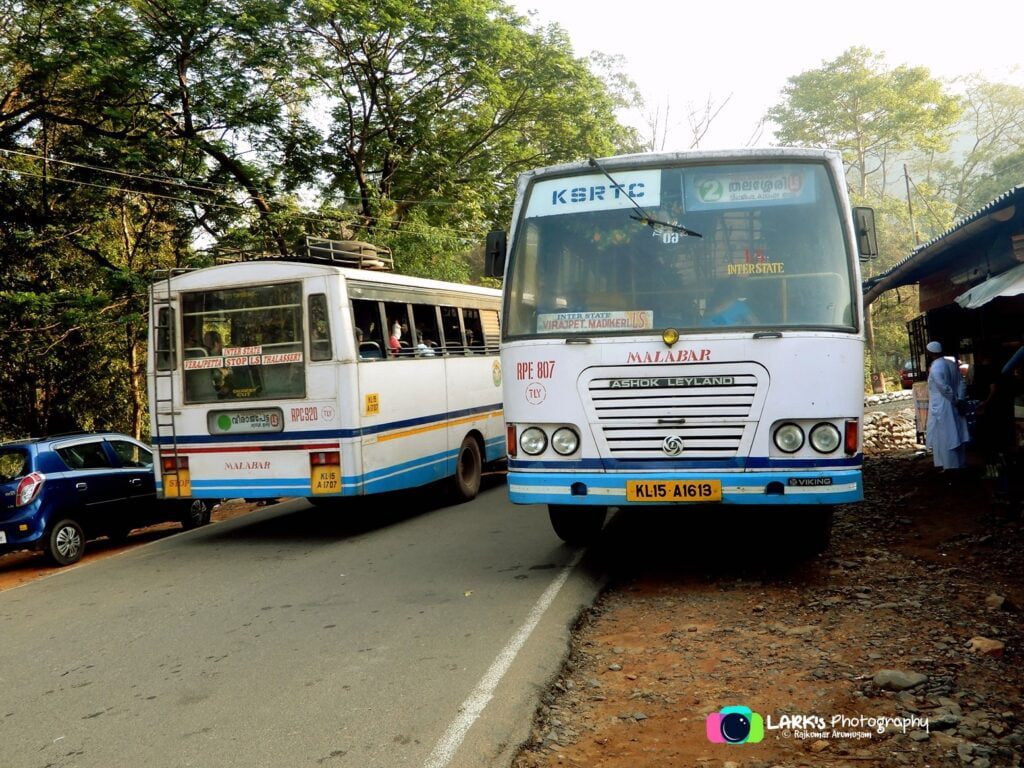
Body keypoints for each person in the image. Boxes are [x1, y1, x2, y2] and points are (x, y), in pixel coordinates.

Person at [924, 340, 970, 472]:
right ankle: (959, 463)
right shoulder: (951, 364)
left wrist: (955, 400)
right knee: (957, 432)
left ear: (930, 353)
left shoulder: (935, 367)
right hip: (951, 403)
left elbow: (943, 388)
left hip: (943, 405)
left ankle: (950, 465)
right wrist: (960, 399)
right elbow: (962, 382)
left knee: (947, 435)